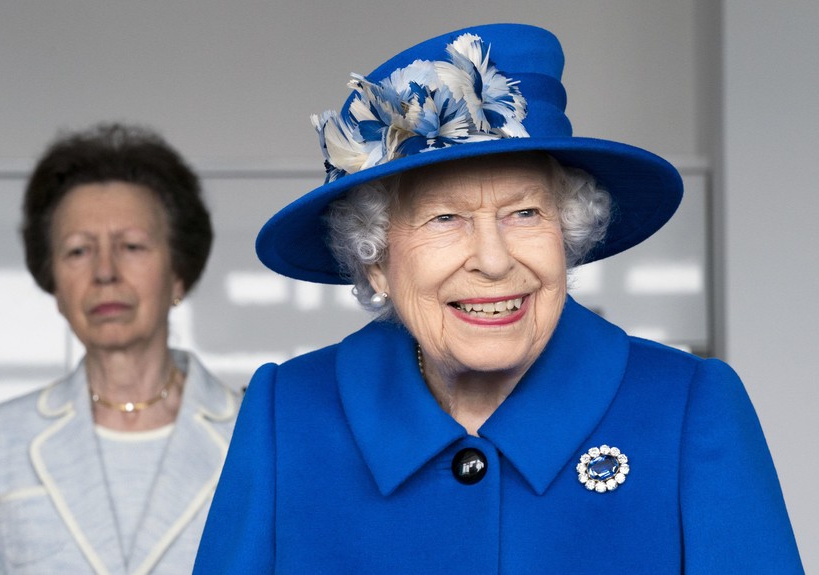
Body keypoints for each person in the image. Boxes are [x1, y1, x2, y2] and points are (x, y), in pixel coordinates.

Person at [193, 23, 803, 574]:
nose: (493, 260)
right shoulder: (289, 415)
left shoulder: (688, 409)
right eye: (444, 218)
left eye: (526, 213)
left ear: (568, 237)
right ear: (375, 261)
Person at [0, 123, 240, 573]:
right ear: (54, 282)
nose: (105, 272)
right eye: (79, 251)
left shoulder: (252, 432)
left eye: (132, 246)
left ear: (179, 272)